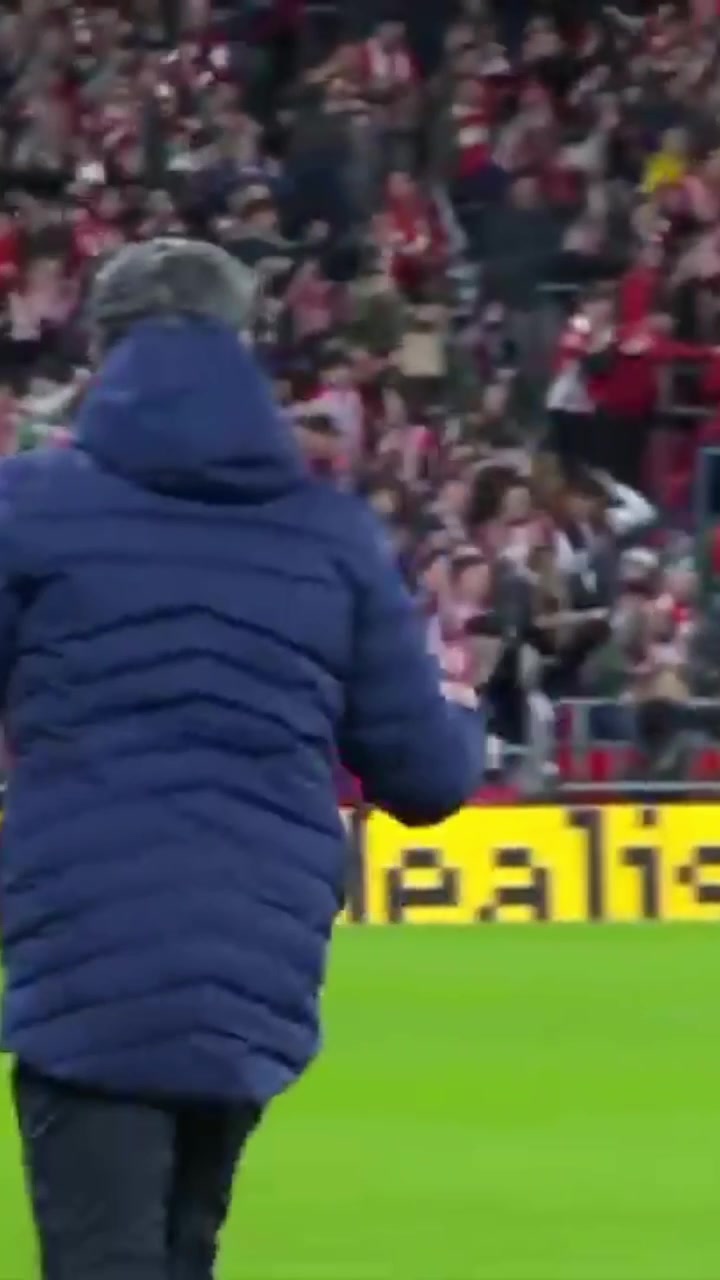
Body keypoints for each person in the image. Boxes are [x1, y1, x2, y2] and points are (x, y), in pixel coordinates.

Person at [0, 238, 482, 1280]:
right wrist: (464, 706)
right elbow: (431, 776)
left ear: (105, 348)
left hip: (85, 940)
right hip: (253, 960)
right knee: (182, 1248)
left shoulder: (28, 505)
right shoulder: (329, 533)